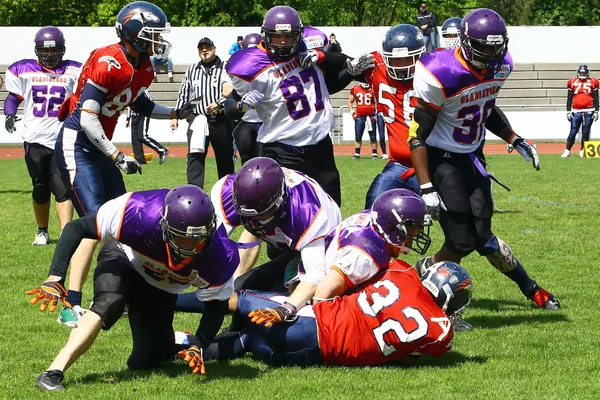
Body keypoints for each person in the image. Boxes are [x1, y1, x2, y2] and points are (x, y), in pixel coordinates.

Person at [408, 8, 560, 331]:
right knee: (461, 238)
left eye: (495, 48)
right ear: (463, 43)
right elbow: (416, 137)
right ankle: (438, 306)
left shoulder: (499, 66)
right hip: (440, 157)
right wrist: (425, 188)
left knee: (480, 234)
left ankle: (428, 268)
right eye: (483, 49)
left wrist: (514, 137)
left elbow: (484, 106)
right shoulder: (441, 71)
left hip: (470, 157)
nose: (490, 56)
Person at [51, 1, 196, 327]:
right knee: (97, 222)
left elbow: (138, 102)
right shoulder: (109, 60)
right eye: (153, 35)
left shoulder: (142, 67)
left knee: (121, 223)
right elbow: (88, 118)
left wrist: (173, 112)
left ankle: (123, 290)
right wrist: (116, 155)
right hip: (79, 143)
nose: (159, 41)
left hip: (99, 149)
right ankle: (69, 302)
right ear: (134, 34)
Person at [27, 185, 240, 391]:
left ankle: (179, 341)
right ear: (164, 226)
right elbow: (78, 227)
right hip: (124, 256)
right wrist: (55, 276)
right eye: (181, 237)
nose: (189, 247)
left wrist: (199, 343)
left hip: (160, 286)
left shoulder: (221, 256)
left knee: (146, 360)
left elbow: (215, 305)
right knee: (109, 301)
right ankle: (53, 372)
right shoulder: (139, 210)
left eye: (197, 240)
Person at [225, 5, 373, 206]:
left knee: (331, 208)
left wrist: (338, 66)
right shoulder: (254, 65)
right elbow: (229, 106)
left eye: (289, 36)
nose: (284, 42)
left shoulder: (308, 51)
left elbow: (326, 85)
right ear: (265, 35)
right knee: (280, 213)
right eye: (277, 36)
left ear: (300, 35)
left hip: (320, 146)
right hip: (282, 150)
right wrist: (241, 106)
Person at [201, 260, 473, 367]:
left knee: (237, 300)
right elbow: (408, 359)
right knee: (249, 339)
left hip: (315, 325)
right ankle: (177, 345)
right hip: (313, 357)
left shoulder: (401, 272)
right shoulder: (441, 332)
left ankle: (171, 301)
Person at [175, 157, 342, 314]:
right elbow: (211, 244)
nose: (252, 219)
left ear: (279, 201)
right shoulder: (229, 190)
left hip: (320, 246)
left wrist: (286, 308)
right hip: (281, 233)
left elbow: (315, 277)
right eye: (246, 214)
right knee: (238, 287)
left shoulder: (307, 212)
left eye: (260, 214)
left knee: (283, 294)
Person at [3, 26, 80, 246]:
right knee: (40, 186)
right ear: (37, 51)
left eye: (54, 50)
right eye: (45, 51)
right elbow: (14, 97)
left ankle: (66, 234)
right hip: (34, 138)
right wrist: (9, 114)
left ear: (62, 49)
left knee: (63, 188)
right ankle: (42, 230)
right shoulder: (23, 69)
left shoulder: (74, 71)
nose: (49, 55)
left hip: (62, 137)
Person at [359, 24, 425, 209]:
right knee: (374, 205)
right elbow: (338, 64)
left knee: (456, 221)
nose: (402, 66)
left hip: (433, 164)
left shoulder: (434, 72)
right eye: (395, 60)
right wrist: (349, 67)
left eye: (407, 59)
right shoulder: (376, 66)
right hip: (398, 164)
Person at [172, 36, 234, 189]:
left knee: (225, 158)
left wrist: (219, 104)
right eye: (201, 48)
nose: (204, 50)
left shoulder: (225, 67)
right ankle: (194, 191)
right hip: (198, 120)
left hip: (220, 120)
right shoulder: (192, 69)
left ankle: (226, 192)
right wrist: (176, 116)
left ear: (214, 49)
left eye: (207, 47)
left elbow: (233, 91)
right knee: (195, 157)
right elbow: (184, 93)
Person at [231, 33, 263, 165]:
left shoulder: (273, 68)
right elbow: (227, 89)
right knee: (246, 160)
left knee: (265, 161)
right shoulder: (236, 68)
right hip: (245, 120)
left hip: (266, 122)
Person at [562, 64, 599, 158]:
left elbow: (596, 97)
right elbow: (569, 98)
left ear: (587, 73)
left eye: (584, 73)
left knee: (586, 131)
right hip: (576, 110)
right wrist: (568, 111)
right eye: (581, 72)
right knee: (573, 131)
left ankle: (583, 150)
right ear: (578, 73)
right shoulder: (572, 81)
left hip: (589, 109)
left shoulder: (593, 81)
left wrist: (596, 111)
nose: (582, 74)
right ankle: (567, 150)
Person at [127, 90, 169, 164]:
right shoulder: (131, 89)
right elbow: (129, 103)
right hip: (134, 116)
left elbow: (150, 101)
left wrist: (145, 111)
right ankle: (140, 160)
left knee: (143, 136)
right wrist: (128, 117)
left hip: (142, 114)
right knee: (135, 138)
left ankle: (162, 150)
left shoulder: (143, 90)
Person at [348, 83, 378, 159]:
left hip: (371, 116)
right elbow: (350, 101)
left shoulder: (373, 88)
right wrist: (352, 112)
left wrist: (376, 114)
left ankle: (374, 153)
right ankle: (357, 153)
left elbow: (378, 102)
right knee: (358, 135)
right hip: (360, 116)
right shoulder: (355, 88)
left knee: (373, 136)